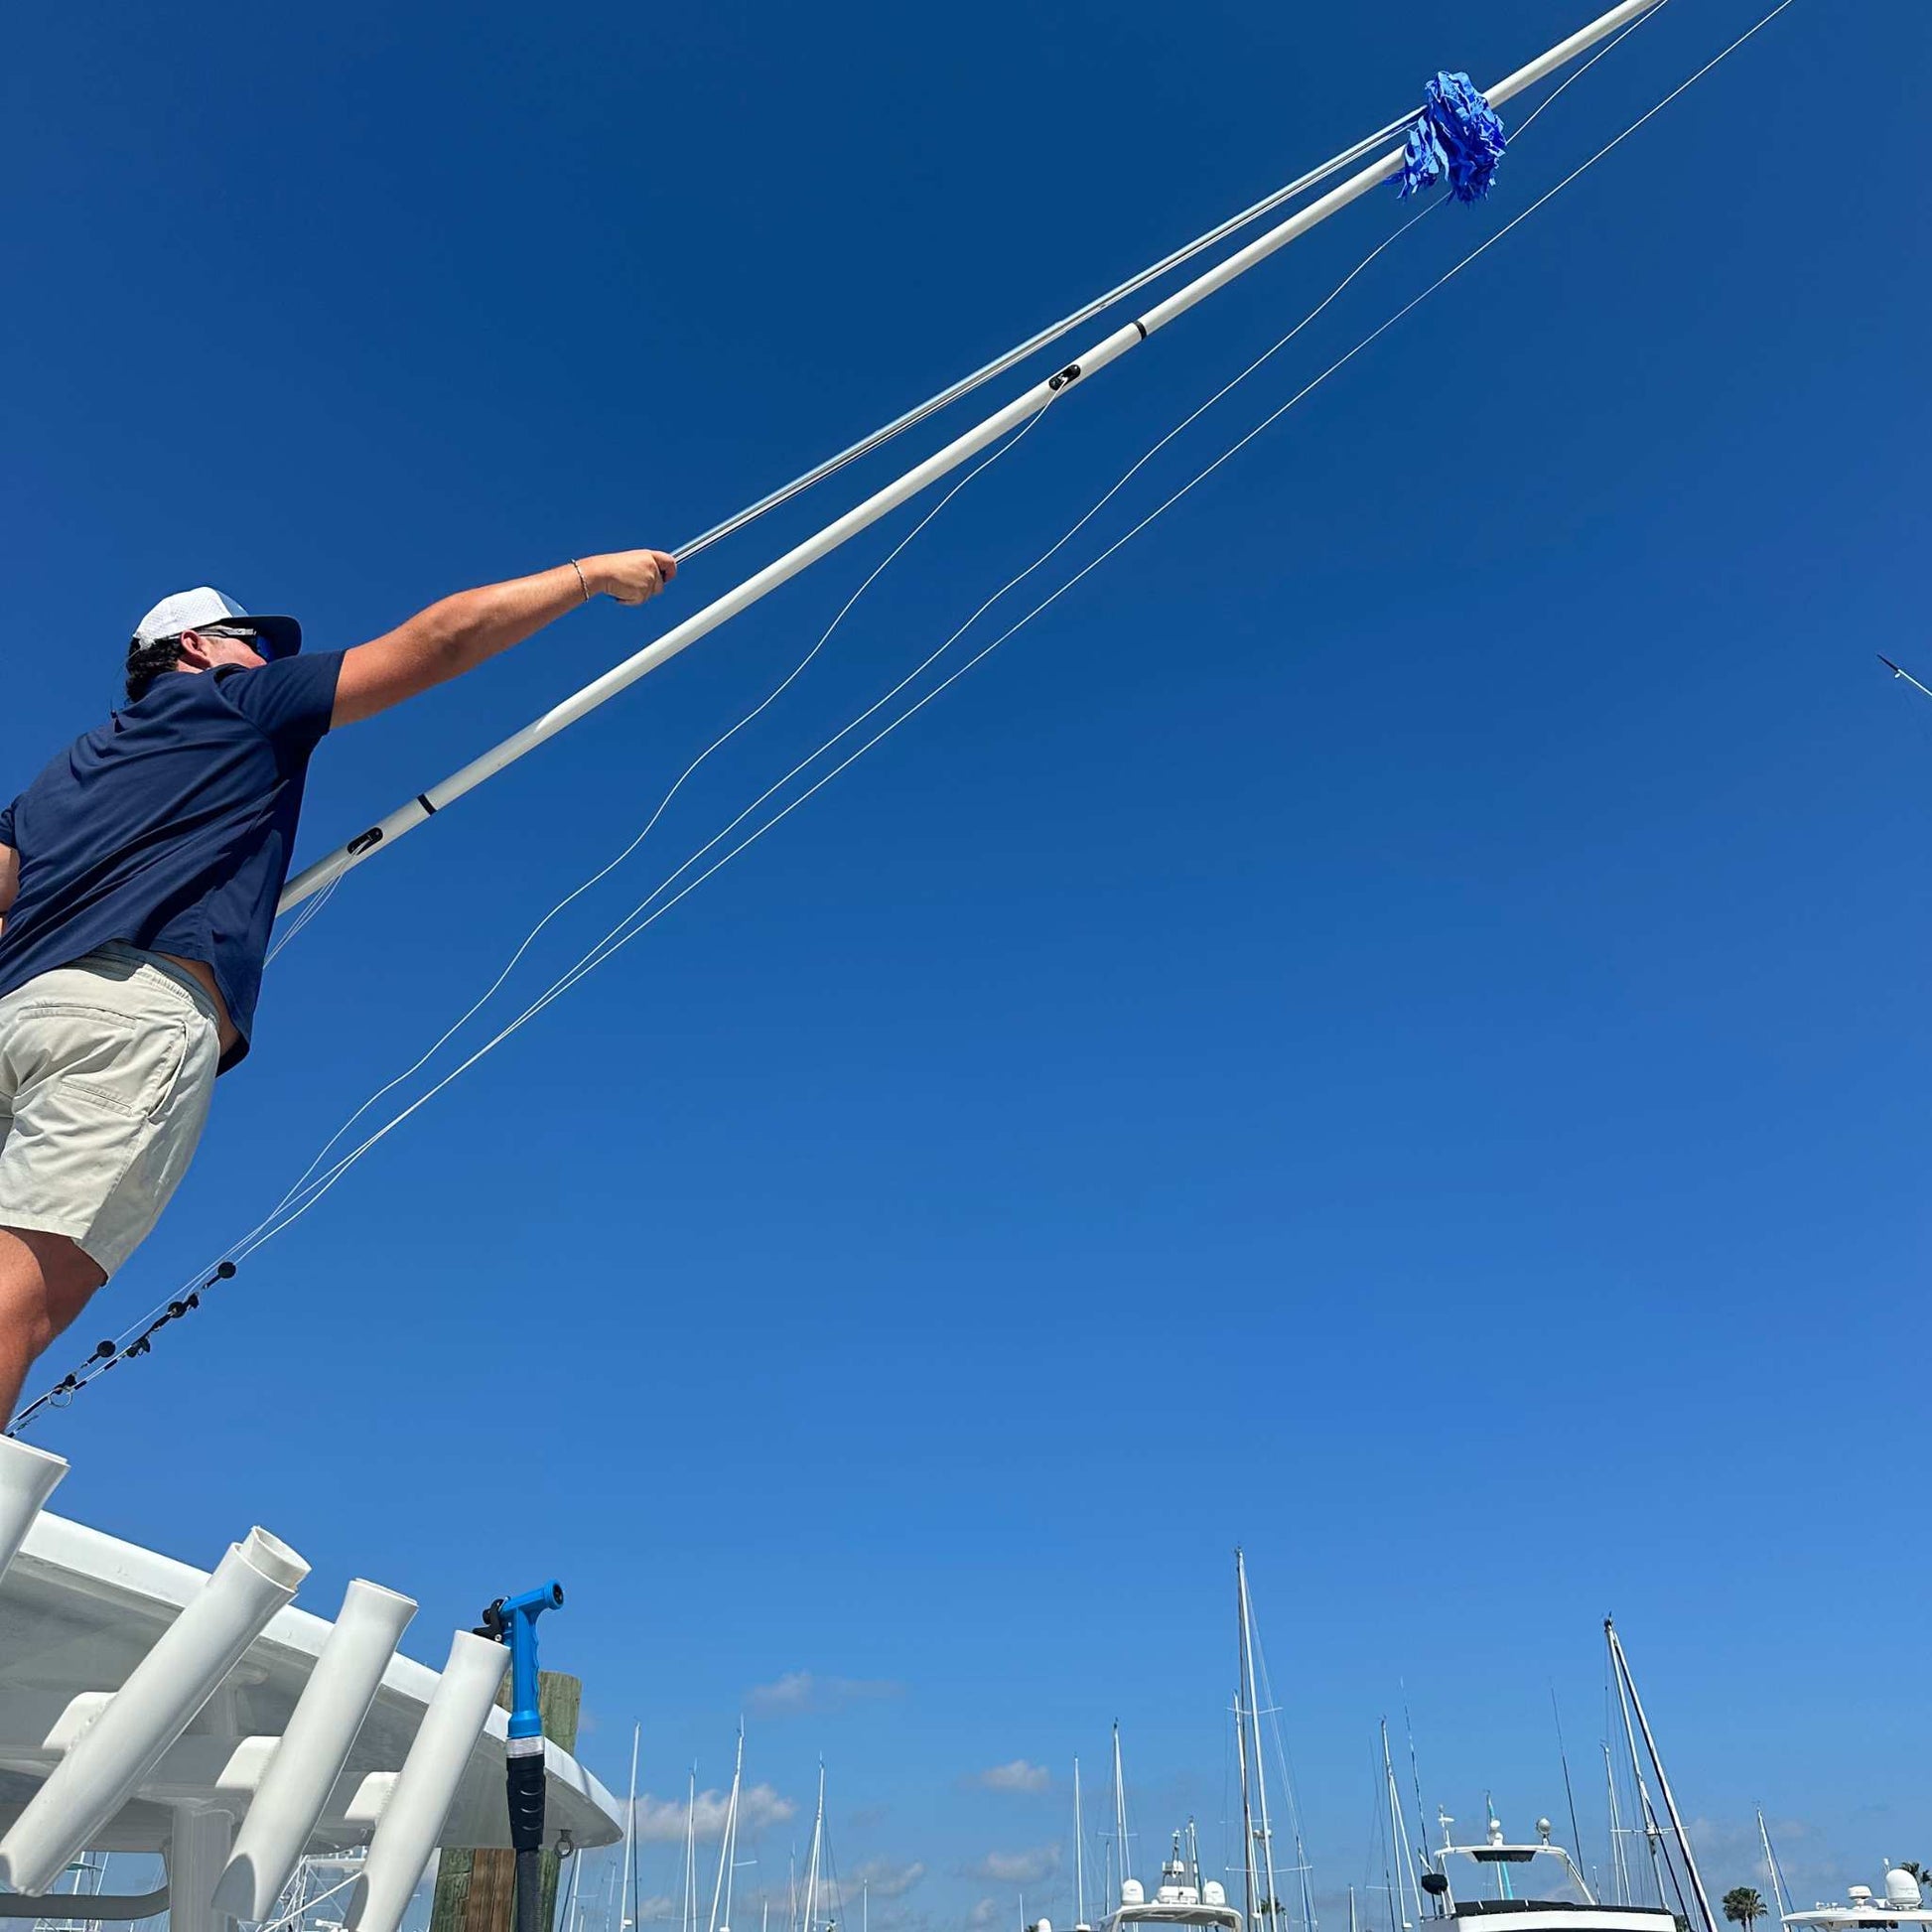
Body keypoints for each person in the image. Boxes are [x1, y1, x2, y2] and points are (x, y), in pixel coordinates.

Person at [0, 551, 677, 1420]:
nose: (273, 663)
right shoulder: (239, 702)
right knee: (16, 1298)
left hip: (18, 1012)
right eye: (255, 644)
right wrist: (589, 576)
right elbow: (438, 640)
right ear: (198, 647)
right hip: (126, 1018)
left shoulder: (58, 776)